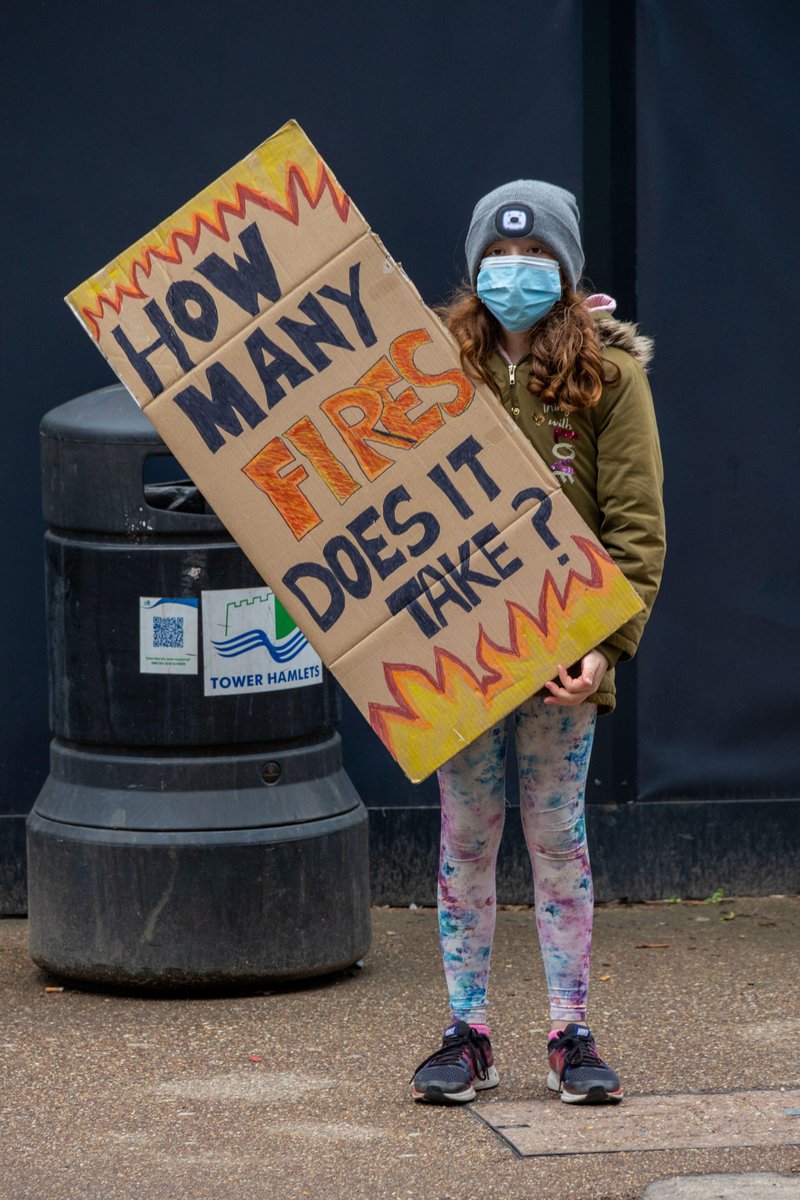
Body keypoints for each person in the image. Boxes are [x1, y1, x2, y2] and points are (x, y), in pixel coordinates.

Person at [410, 181, 666, 1106]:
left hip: (563, 664)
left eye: (534, 260)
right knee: (465, 839)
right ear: (474, 266)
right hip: (457, 660)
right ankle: (466, 1031)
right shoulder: (431, 368)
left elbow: (637, 531)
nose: (514, 275)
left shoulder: (610, 378)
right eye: (499, 259)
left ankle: (570, 1031)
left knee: (557, 839)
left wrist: (605, 647)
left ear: (566, 269)